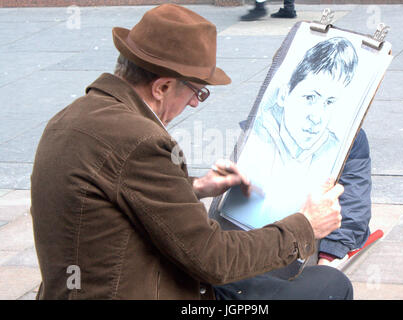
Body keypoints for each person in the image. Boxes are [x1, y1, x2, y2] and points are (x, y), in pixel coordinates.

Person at [30, 4, 352, 300]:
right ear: (162, 87)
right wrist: (306, 226)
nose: (195, 102)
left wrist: (193, 188)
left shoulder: (72, 117)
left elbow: (113, 193)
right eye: (196, 91)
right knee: (329, 286)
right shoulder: (140, 140)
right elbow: (213, 259)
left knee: (267, 269)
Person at [231, 36, 370, 266]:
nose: (316, 116)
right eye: (309, 98)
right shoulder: (258, 132)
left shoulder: (348, 141)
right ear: (284, 94)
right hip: (257, 243)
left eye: (329, 102)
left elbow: (354, 203)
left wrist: (329, 256)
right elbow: (234, 207)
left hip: (314, 245)